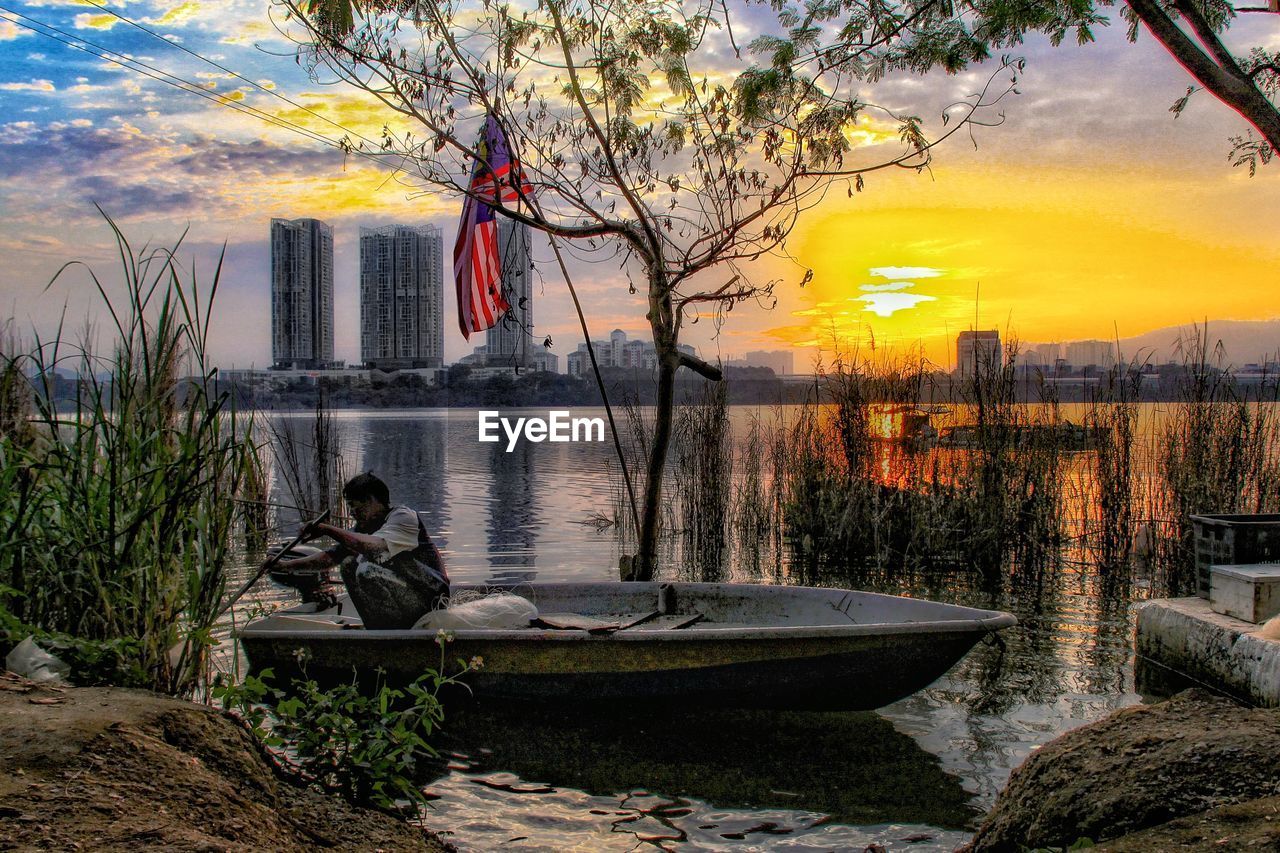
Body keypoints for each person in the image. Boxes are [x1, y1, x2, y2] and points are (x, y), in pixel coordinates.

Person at [274, 472, 449, 629]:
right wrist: (284, 566)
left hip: (432, 598)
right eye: (350, 507)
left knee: (366, 571)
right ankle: (377, 632)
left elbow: (374, 546)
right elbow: (330, 558)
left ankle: (391, 634)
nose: (352, 513)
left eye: (356, 506)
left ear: (373, 500)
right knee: (348, 564)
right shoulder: (363, 528)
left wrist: (328, 530)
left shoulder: (403, 517)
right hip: (408, 598)